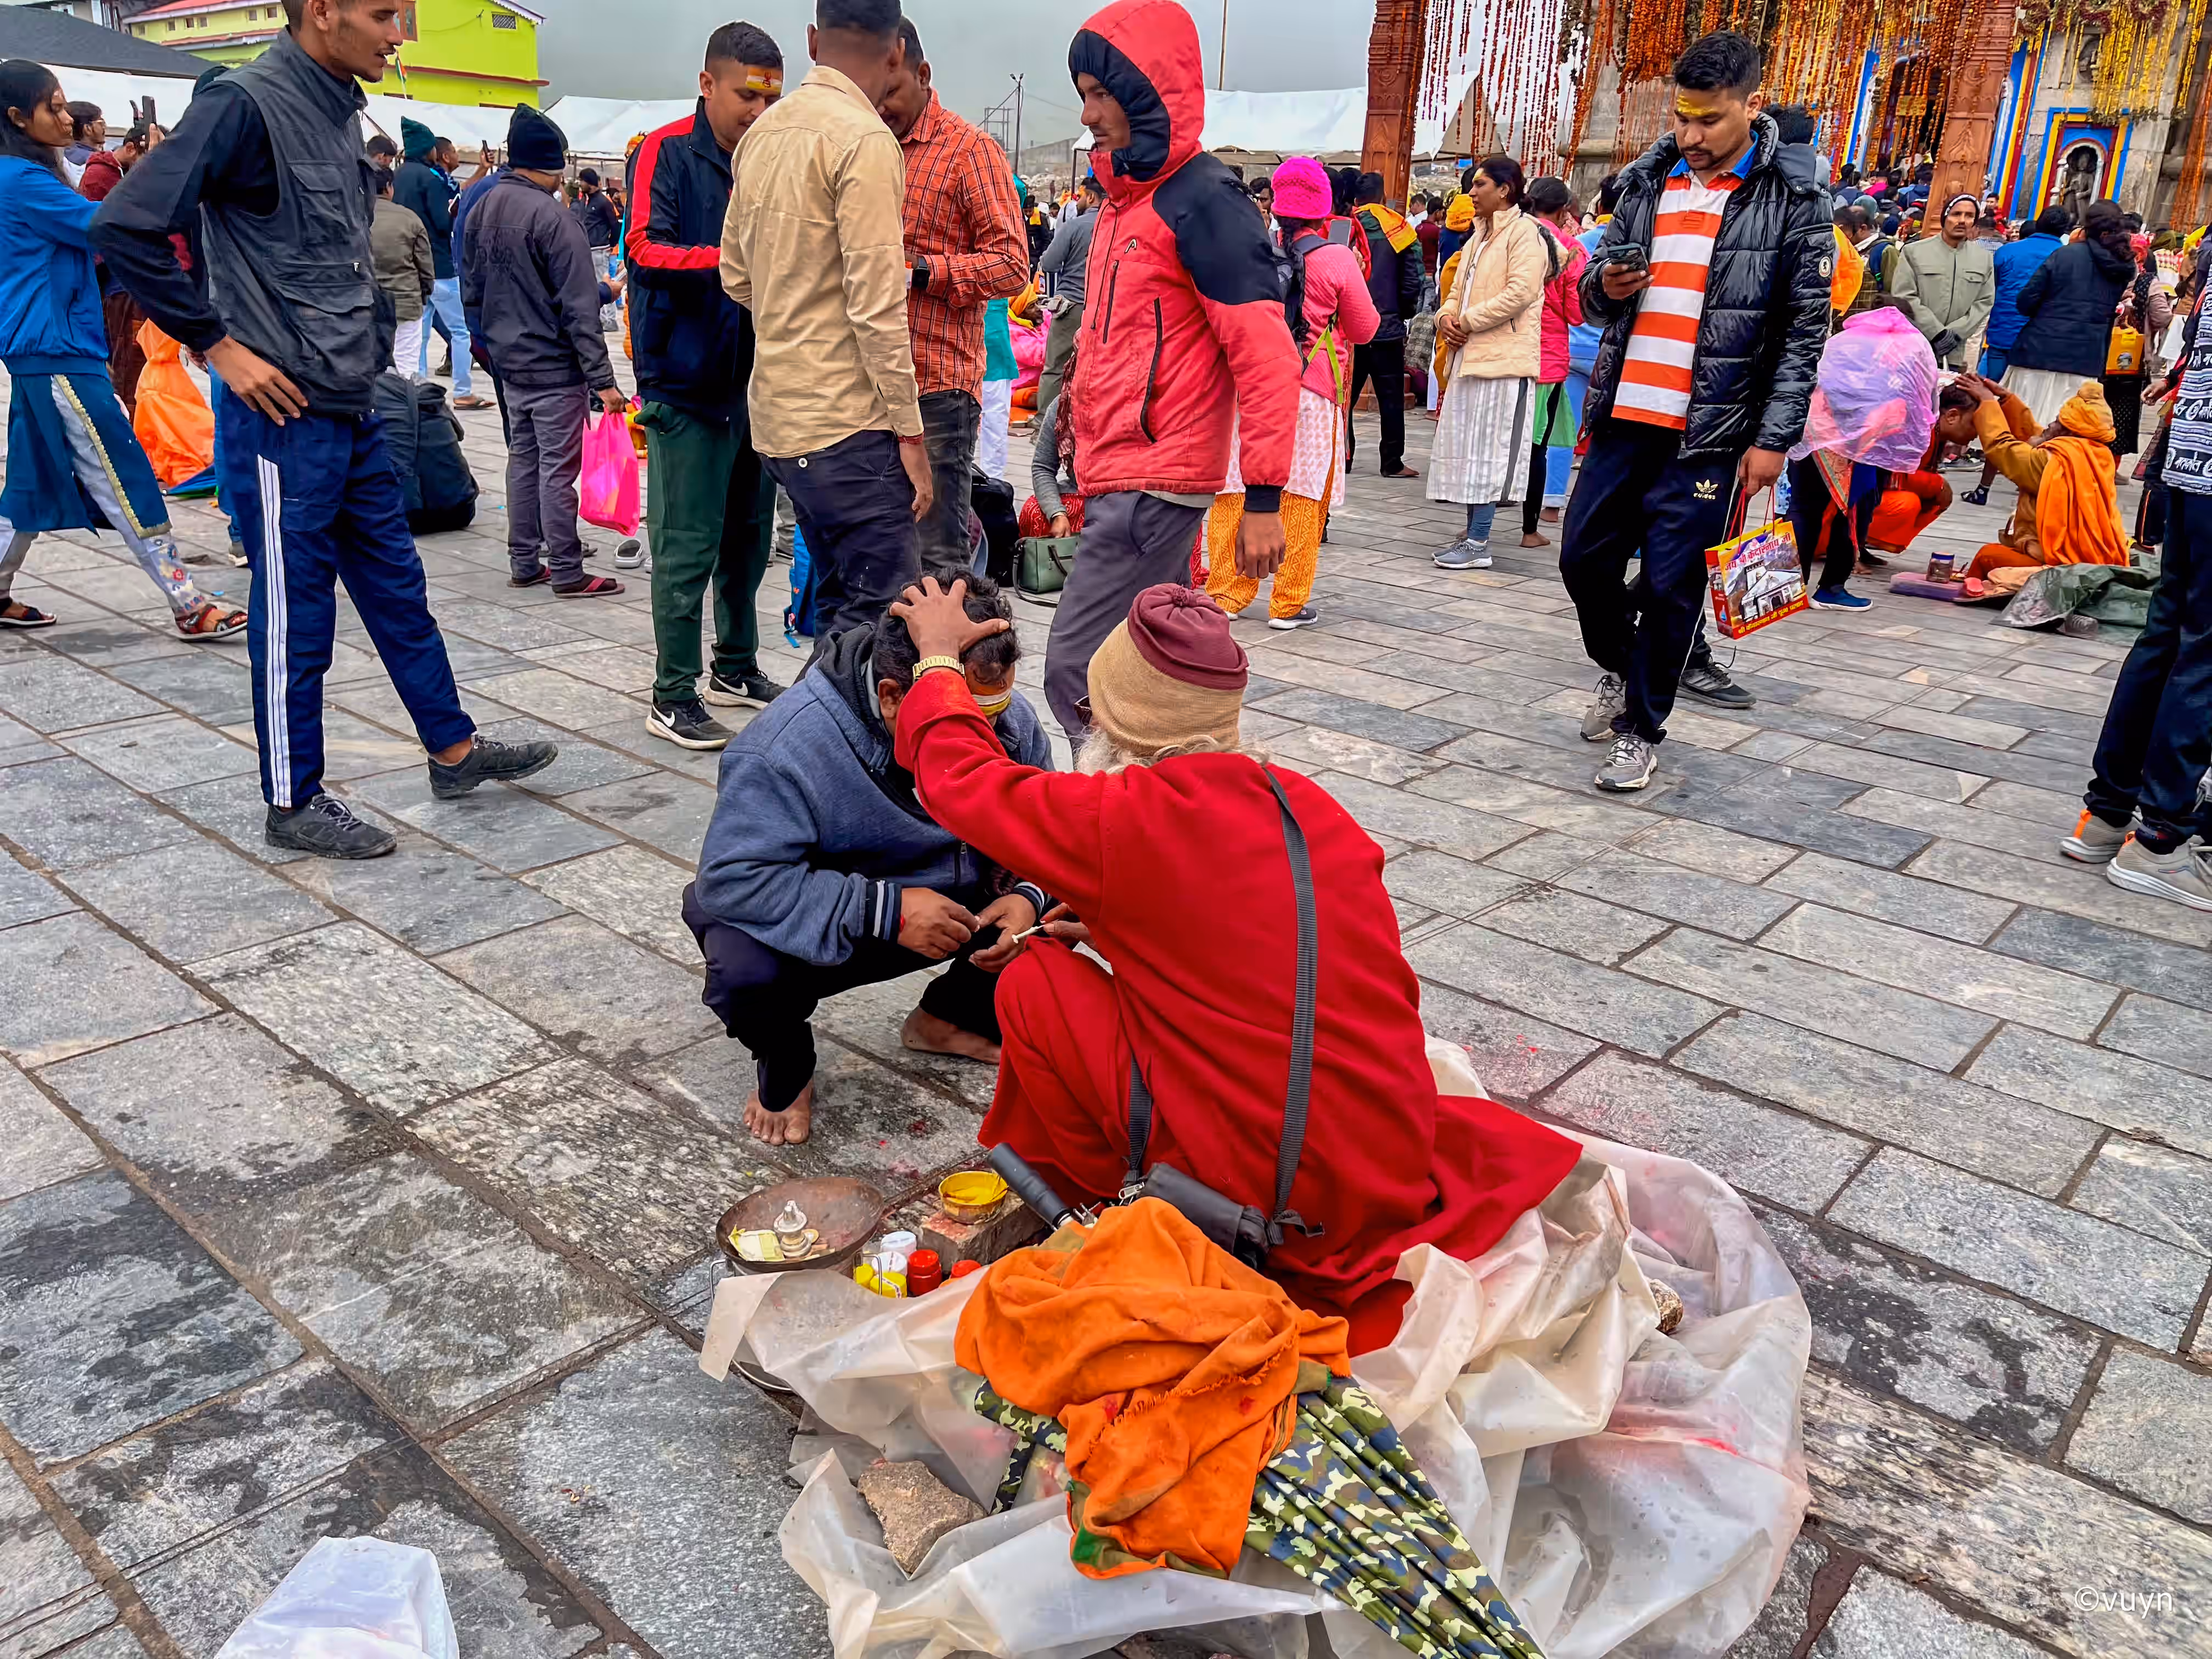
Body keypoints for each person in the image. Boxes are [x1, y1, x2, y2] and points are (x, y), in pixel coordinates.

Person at [883, 575, 1582, 1353]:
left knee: (1037, 976)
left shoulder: (1125, 817)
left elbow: (965, 781)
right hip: (1384, 1159)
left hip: (1275, 1202)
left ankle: (1108, 1208)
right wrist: (1126, 935)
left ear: (1110, 727)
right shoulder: (1307, 803)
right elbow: (1275, 948)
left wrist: (938, 661)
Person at [91, 0, 558, 857]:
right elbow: (125, 225)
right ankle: (292, 799)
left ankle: (452, 748)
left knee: (397, 588)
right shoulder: (244, 103)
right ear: (321, 10)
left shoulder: (341, 106)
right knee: (294, 610)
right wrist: (218, 347)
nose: (399, 35)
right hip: (281, 416)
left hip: (352, 400)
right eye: (385, 14)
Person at [685, 573, 1055, 1147]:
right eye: (958, 717)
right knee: (741, 961)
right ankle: (788, 1063)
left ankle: (951, 1018)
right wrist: (886, 910)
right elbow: (734, 879)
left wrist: (1028, 895)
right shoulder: (786, 746)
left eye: (996, 708)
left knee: (1072, 893)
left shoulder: (1009, 721)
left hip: (962, 899)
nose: (986, 736)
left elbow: (1052, 831)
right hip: (851, 914)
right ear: (891, 696)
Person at [1561, 30, 1829, 792]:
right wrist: (1601, 290)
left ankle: (1642, 728)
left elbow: (1806, 332)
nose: (1691, 136)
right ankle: (1621, 666)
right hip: (1623, 417)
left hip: (1710, 436)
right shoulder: (1648, 182)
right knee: (1582, 560)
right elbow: (1591, 292)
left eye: (1709, 120)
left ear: (1752, 106)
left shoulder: (1795, 200)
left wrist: (1775, 438)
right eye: (1683, 117)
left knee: (1675, 586)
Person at [1043, 0, 1299, 739]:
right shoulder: (1131, 201)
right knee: (1143, 665)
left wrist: (1262, 498)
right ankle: (1152, 811)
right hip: (1123, 471)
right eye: (1085, 93)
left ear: (1149, 91)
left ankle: (1107, 809)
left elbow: (1266, 355)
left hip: (1156, 479)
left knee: (1076, 666)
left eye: (1103, 93)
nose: (1089, 112)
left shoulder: (1203, 199)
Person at [0, 63, 244, 640]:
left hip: (44, 345)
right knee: (121, 467)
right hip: (55, 347)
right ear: (16, 118)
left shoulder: (24, 173)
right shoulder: (22, 181)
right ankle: (187, 600)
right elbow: (111, 226)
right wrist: (161, 168)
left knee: (30, 479)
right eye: (54, 108)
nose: (69, 118)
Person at [721, 0, 931, 652]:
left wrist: (795, 307)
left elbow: (735, 276)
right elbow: (877, 307)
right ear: (896, 50)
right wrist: (911, 435)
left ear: (813, 40)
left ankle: (811, 746)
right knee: (889, 618)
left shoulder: (765, 131)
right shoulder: (865, 140)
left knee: (844, 608)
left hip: (782, 419)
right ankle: (829, 750)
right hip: (846, 425)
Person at [628, 21, 787, 751]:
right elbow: (643, 248)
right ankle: (671, 692)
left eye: (771, 98)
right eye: (746, 95)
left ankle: (736, 666)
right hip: (686, 385)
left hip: (754, 386)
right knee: (686, 545)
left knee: (749, 542)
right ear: (708, 85)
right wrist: (731, 260)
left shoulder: (771, 159)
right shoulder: (664, 151)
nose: (758, 111)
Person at [2069, 302, 2212, 905]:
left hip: (2192, 464)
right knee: (2201, 653)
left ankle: (2109, 812)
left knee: (2168, 636)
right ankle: (2160, 840)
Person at [874, 18, 1028, 579]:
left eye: (891, 92)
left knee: (938, 555)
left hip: (937, 387)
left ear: (923, 73)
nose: (882, 106)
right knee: (877, 554)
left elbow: (1012, 263)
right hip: (868, 383)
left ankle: (942, 667)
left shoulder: (970, 152)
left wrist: (923, 272)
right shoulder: (868, 149)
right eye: (872, 94)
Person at [463, 105, 628, 601]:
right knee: (558, 469)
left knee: (524, 461)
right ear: (553, 166)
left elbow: (474, 291)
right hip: (555, 369)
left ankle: (524, 559)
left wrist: (490, 351)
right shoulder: (553, 217)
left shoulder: (481, 207)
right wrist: (604, 383)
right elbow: (579, 310)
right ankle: (567, 569)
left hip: (511, 364)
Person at [1204, 155, 1376, 629]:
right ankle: (1288, 603)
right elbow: (1366, 328)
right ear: (1324, 207)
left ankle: (1225, 593)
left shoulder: (1255, 252)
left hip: (1253, 388)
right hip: (1313, 391)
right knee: (1301, 495)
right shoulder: (1337, 258)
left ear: (1276, 205)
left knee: (1237, 487)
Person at [1426, 154, 1549, 570]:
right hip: (1470, 354)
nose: (1471, 193)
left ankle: (1479, 541)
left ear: (1505, 190)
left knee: (1492, 451)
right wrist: (1446, 318)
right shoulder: (1478, 237)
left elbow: (1522, 292)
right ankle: (1472, 533)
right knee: (1467, 446)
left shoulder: (1525, 234)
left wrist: (1468, 321)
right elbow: (1456, 289)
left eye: (1480, 185)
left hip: (1504, 361)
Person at [1784, 306, 1944, 609]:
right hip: (1865, 448)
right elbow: (1921, 404)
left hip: (1816, 436)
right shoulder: (1908, 353)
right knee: (1854, 514)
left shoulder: (1842, 344)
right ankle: (1831, 588)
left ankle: (1786, 590)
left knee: (1803, 509)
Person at [1951, 373, 2128, 591]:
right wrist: (2007, 399)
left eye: (2056, 422)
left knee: (1988, 556)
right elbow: (2035, 436)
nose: (2048, 426)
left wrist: (1988, 403)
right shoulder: (2095, 455)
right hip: (2086, 558)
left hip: (2060, 562)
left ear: (2067, 432)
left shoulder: (2053, 461)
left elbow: (2003, 448)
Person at [2005, 200, 2132, 428]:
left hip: (2039, 350)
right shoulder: (2123, 266)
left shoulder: (2065, 255)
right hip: (2085, 357)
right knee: (2065, 432)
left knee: (2020, 429)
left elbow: (2025, 302)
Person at [392, 118, 489, 409]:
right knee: (461, 332)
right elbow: (442, 221)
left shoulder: (397, 177)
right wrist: (454, 214)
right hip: (440, 266)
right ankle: (462, 391)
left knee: (418, 333)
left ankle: (416, 388)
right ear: (427, 149)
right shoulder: (430, 179)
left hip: (410, 267)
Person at [1520, 176, 1587, 548]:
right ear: (1563, 212)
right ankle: (1530, 530)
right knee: (1537, 447)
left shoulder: (1507, 234)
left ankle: (1476, 526)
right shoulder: (1569, 249)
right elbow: (1578, 312)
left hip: (1503, 354)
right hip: (1546, 358)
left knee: (1501, 440)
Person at [1346, 171, 1423, 481]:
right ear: (1382, 197)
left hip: (1349, 329)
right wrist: (1401, 312)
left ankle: (1343, 457)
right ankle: (1391, 462)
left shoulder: (1343, 226)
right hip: (1386, 326)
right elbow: (1413, 279)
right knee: (1390, 397)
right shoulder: (1400, 228)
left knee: (1344, 398)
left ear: (1355, 199)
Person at [1861, 379, 1982, 563]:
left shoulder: (1935, 432)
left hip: (1867, 496)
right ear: (1952, 416)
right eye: (1976, 424)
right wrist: (1937, 484)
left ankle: (1859, 545)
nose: (1979, 434)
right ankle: (1846, 548)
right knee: (1908, 503)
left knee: (1934, 499)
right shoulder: (1919, 427)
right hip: (1847, 500)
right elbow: (1887, 475)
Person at [1889, 192, 1994, 370]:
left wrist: (1955, 334)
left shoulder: (1983, 259)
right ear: (1945, 217)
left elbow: (1984, 302)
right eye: (1956, 214)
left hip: (1954, 353)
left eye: (1969, 216)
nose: (1962, 221)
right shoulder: (1914, 252)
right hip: (1914, 349)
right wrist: (1936, 333)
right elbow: (1904, 295)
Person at [1035, 171, 1098, 417]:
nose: (1077, 201)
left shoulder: (1075, 226)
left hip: (1072, 304)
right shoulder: (1119, 225)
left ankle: (1044, 420)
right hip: (1105, 309)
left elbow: (1049, 263)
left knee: (1056, 367)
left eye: (1081, 196)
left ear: (1091, 197)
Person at [370, 165, 433, 379]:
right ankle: (404, 407)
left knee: (370, 366)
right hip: (406, 303)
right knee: (406, 367)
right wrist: (425, 293)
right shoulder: (410, 219)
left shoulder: (353, 217)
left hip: (365, 304)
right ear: (389, 187)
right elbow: (425, 266)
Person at [569, 166, 619, 249]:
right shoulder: (583, 201)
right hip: (584, 248)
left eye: (582, 181)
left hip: (599, 250)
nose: (580, 184)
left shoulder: (604, 202)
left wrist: (611, 244)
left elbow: (614, 225)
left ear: (590, 182)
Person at [60, 102, 100, 187]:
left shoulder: (60, 155)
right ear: (88, 129)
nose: (104, 127)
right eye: (101, 123)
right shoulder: (96, 160)